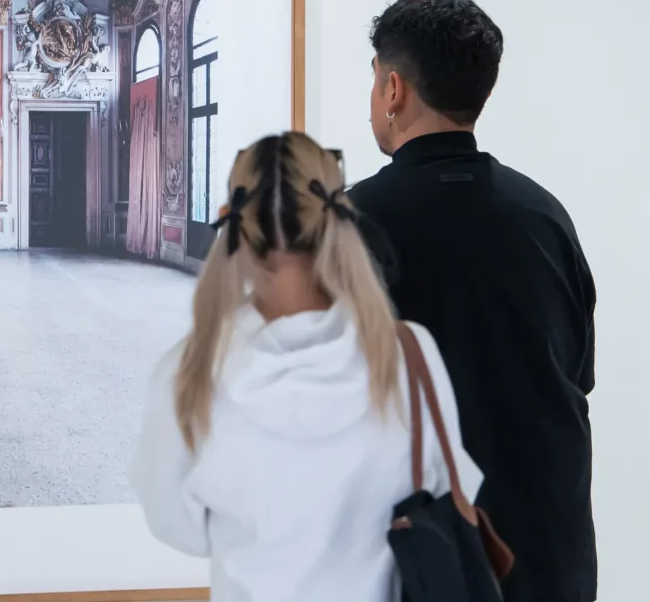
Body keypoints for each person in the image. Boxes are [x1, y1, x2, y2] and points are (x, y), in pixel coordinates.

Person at [131, 132, 483, 602]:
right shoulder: (408, 356)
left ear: (230, 223)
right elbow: (453, 488)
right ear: (338, 220)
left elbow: (179, 528)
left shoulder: (186, 374)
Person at [348, 0, 598, 602]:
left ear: (394, 89)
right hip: (547, 551)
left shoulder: (350, 224)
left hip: (423, 559)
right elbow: (578, 375)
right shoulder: (544, 215)